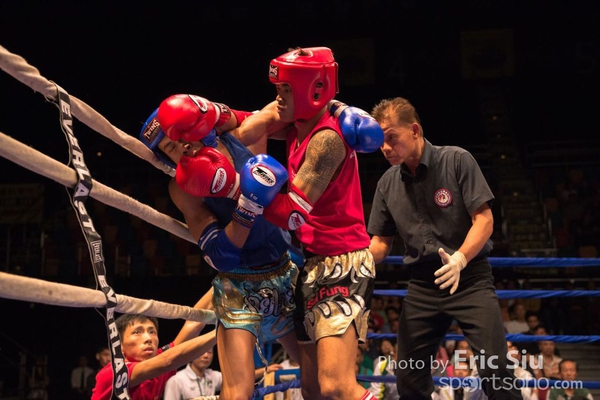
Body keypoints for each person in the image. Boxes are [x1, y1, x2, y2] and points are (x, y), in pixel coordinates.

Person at [140, 94, 301, 399]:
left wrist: (218, 113)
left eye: (182, 134)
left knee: (320, 381)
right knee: (238, 393)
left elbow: (284, 111)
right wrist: (248, 203)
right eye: (171, 147)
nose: (182, 146)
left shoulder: (243, 138)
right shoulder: (182, 189)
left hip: (284, 271)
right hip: (238, 285)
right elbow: (220, 255)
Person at [367, 97, 522, 400]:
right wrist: (350, 259)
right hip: (423, 286)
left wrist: (460, 258)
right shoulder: (387, 183)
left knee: (496, 370)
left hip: (470, 278)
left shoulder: (456, 160)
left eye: (391, 138)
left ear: (414, 130)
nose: (384, 148)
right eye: (379, 142)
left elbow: (485, 220)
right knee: (408, 376)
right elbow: (381, 244)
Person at [264, 46, 382, 400]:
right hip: (311, 263)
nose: (278, 97)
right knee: (312, 389)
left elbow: (291, 214)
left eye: (286, 90)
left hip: (342, 262)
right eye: (278, 89)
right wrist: (211, 115)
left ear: (310, 90)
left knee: (336, 386)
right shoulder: (298, 124)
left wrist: (236, 189)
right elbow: (248, 122)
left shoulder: (327, 139)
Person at [91, 291, 216, 400]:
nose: (148, 338)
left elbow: (194, 324)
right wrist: (223, 329)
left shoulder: (159, 362)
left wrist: (221, 281)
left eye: (152, 332)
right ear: (118, 345)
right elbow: (169, 361)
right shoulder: (112, 373)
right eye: (137, 332)